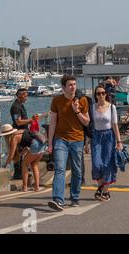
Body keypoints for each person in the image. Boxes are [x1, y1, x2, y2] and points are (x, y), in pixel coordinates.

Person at [47, 75, 90, 211]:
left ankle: (75, 197)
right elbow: (52, 122)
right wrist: (50, 143)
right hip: (61, 139)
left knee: (77, 170)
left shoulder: (82, 100)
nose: (73, 87)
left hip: (77, 139)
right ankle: (58, 200)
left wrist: (76, 110)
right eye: (70, 85)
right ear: (64, 87)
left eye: (74, 84)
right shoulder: (56, 100)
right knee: (60, 169)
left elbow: (87, 121)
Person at [90, 84, 123, 201]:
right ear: (95, 96)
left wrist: (119, 141)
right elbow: (90, 125)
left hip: (109, 136)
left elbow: (114, 125)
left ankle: (105, 191)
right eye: (98, 93)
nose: (101, 95)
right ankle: (100, 186)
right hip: (96, 137)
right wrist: (86, 143)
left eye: (103, 93)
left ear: (106, 94)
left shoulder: (111, 107)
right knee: (96, 164)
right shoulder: (92, 107)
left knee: (108, 164)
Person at [1, 124, 45, 192]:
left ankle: (25, 187)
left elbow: (11, 155)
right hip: (42, 144)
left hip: (35, 145)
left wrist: (5, 164)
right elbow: (27, 145)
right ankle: (37, 187)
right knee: (34, 165)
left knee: (24, 164)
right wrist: (21, 154)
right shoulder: (20, 131)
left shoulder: (14, 138)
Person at [10, 88, 38, 180]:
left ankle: (21, 172)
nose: (26, 98)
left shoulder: (21, 105)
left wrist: (31, 120)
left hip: (24, 132)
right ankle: (18, 174)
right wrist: (31, 120)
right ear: (19, 96)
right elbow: (18, 122)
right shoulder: (16, 107)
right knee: (18, 154)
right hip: (19, 133)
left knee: (23, 152)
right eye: (25, 96)